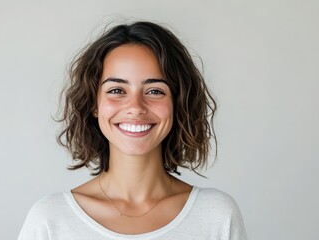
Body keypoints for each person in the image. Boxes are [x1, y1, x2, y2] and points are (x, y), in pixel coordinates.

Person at [18, 21, 247, 240]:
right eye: (117, 90)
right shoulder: (50, 219)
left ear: (178, 104)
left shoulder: (217, 215)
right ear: (94, 105)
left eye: (155, 91)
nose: (136, 107)